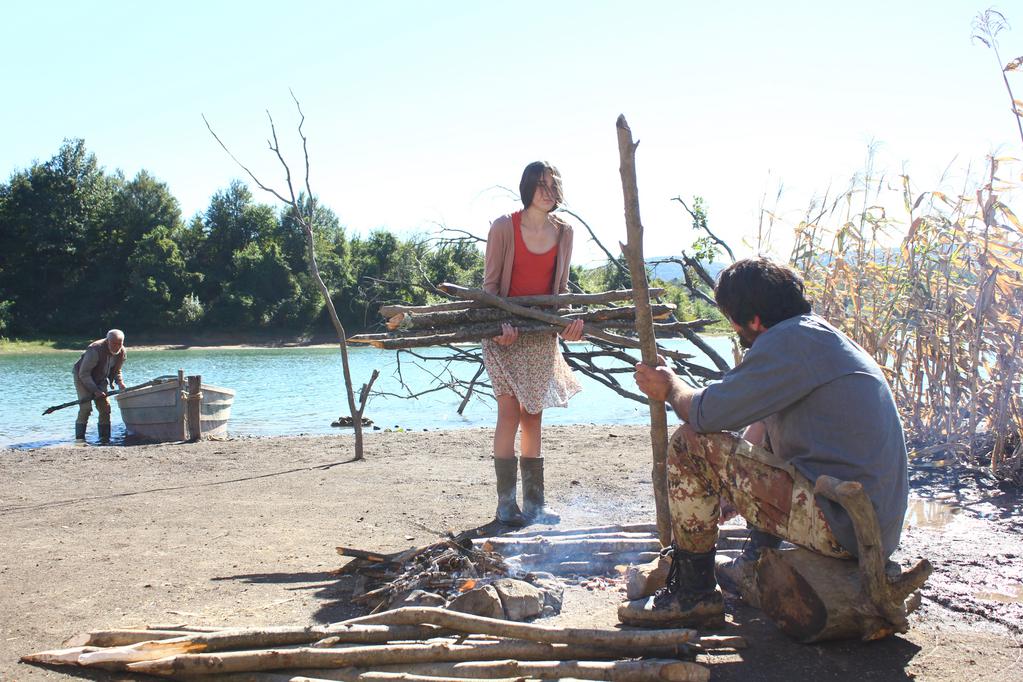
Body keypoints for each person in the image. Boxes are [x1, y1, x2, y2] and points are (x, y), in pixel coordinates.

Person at [620, 257, 908, 628]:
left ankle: (694, 595)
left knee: (690, 444)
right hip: (865, 522)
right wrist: (730, 488)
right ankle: (754, 562)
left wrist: (671, 388)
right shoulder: (812, 336)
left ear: (754, 320)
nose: (735, 327)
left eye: (734, 319)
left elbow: (706, 414)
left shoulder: (790, 341)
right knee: (756, 450)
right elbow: (760, 424)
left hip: (846, 523)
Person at [481, 161, 585, 527]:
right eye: (540, 184)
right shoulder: (502, 228)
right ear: (526, 188)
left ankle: (535, 504)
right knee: (509, 413)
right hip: (504, 335)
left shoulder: (565, 231)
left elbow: (562, 290)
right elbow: (490, 288)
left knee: (534, 416)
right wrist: (498, 327)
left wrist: (568, 321)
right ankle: (505, 506)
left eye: (553, 184)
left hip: (541, 335)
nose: (547, 191)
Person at [73, 329, 127, 444]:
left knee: (105, 409)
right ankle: (80, 439)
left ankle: (104, 439)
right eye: (114, 343)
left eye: (120, 344)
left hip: (100, 379)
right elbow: (84, 374)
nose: (117, 347)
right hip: (82, 377)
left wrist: (120, 382)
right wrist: (95, 390)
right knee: (86, 408)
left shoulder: (121, 352)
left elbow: (117, 370)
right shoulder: (94, 350)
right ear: (107, 341)